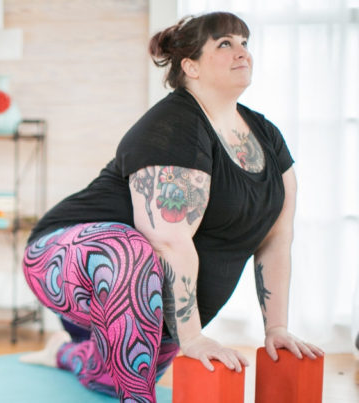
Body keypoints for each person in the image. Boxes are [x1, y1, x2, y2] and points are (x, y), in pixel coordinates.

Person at [19, 11, 324, 403]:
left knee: (112, 376)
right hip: (61, 258)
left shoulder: (266, 136)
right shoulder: (174, 124)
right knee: (130, 250)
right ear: (190, 66)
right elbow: (167, 242)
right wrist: (193, 337)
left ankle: (63, 350)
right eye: (225, 44)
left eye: (245, 43)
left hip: (152, 304)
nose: (242, 52)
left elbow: (277, 238)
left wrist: (276, 328)